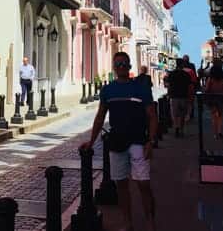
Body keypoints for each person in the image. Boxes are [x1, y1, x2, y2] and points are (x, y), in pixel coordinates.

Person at [81, 52, 158, 231]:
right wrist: (91, 142)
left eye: (125, 63)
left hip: (139, 141)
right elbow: (100, 117)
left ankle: (150, 222)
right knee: (121, 186)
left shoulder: (141, 89)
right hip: (117, 143)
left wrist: (151, 142)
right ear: (114, 68)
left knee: (143, 184)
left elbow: (152, 116)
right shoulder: (108, 91)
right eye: (118, 64)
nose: (122, 66)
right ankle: (127, 223)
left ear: (130, 66)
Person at [164, 59, 191, 137]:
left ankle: (176, 127)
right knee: (182, 114)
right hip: (183, 96)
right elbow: (189, 86)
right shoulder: (186, 74)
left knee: (175, 114)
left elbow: (168, 85)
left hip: (174, 96)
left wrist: (169, 94)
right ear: (182, 65)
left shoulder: (171, 74)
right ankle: (181, 129)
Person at [205, 65, 223, 140]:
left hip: (212, 99)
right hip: (220, 99)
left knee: (214, 117)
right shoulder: (222, 80)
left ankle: (215, 133)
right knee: (220, 116)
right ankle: (220, 131)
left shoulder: (210, 79)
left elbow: (207, 89)